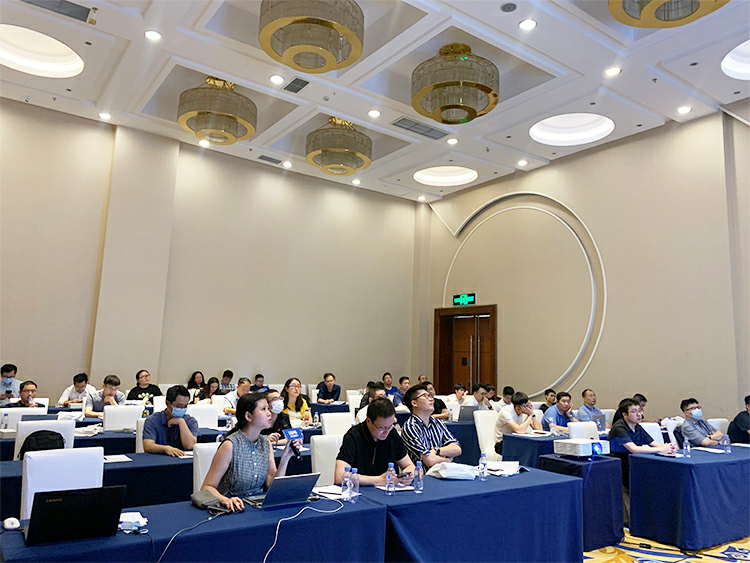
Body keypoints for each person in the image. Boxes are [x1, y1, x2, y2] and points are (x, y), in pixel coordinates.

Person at [201, 393, 301, 511]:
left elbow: (272, 486)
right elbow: (207, 487)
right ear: (248, 416)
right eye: (263, 409)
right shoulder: (230, 445)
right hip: (234, 507)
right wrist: (224, 499)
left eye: (268, 408)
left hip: (258, 506)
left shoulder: (266, 443)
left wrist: (285, 458)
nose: (269, 413)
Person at [608, 398, 676, 525]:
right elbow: (634, 449)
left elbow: (655, 444)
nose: (639, 414)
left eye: (640, 411)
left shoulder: (638, 427)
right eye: (634, 411)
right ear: (625, 415)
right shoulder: (619, 428)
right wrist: (662, 449)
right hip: (619, 464)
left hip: (634, 463)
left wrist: (668, 447)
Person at [335, 397, 415, 486]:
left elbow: (409, 465)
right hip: (360, 489)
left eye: (390, 426)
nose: (386, 432)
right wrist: (378, 480)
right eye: (381, 428)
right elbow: (339, 476)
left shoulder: (392, 434)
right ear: (368, 420)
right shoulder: (353, 436)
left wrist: (408, 476)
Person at [401, 384, 462, 468]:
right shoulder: (410, 427)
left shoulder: (437, 423)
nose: (431, 399)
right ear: (414, 403)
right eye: (425, 396)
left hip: (442, 472)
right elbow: (429, 460)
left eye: (429, 396)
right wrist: (448, 461)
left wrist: (437, 450)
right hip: (423, 474)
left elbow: (457, 449)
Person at [142, 385, 198, 457]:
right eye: (179, 406)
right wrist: (165, 449)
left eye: (185, 406)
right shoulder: (152, 420)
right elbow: (148, 446)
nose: (182, 409)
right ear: (167, 403)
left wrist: (181, 422)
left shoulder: (190, 421)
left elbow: (190, 446)